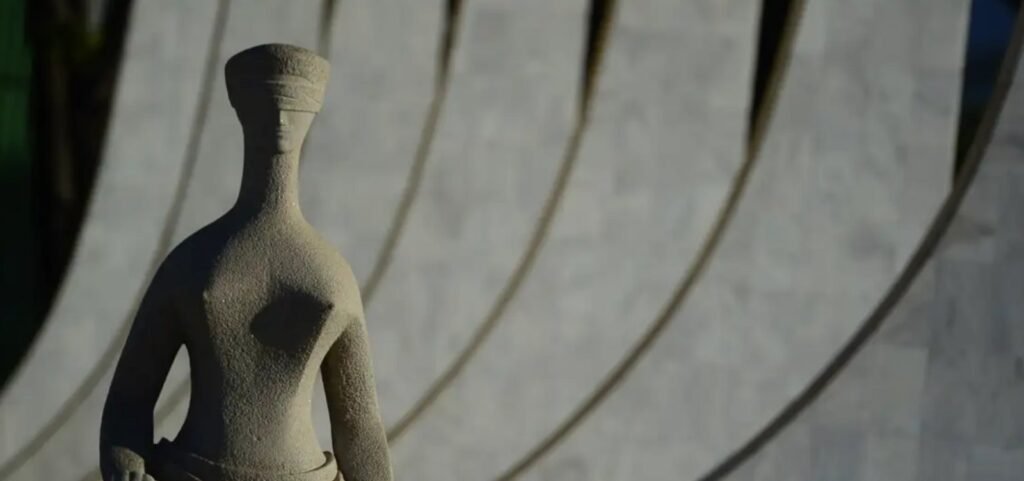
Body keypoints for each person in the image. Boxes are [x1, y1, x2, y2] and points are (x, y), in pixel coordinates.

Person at [99, 43, 392, 481]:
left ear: (312, 113)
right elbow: (129, 398)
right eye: (267, 104)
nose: (280, 119)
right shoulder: (193, 262)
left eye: (291, 106)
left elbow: (359, 423)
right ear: (241, 110)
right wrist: (125, 462)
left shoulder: (331, 274)